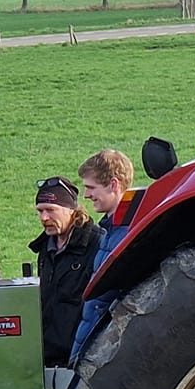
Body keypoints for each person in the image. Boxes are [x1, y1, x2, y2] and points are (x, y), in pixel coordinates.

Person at [69, 148, 138, 359]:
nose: (87, 195)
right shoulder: (111, 232)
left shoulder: (125, 236)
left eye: (91, 187)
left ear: (114, 185)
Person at [30, 176, 99, 367]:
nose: (44, 218)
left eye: (51, 210)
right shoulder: (46, 247)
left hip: (82, 356)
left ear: (71, 210)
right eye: (40, 211)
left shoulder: (96, 244)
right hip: (48, 357)